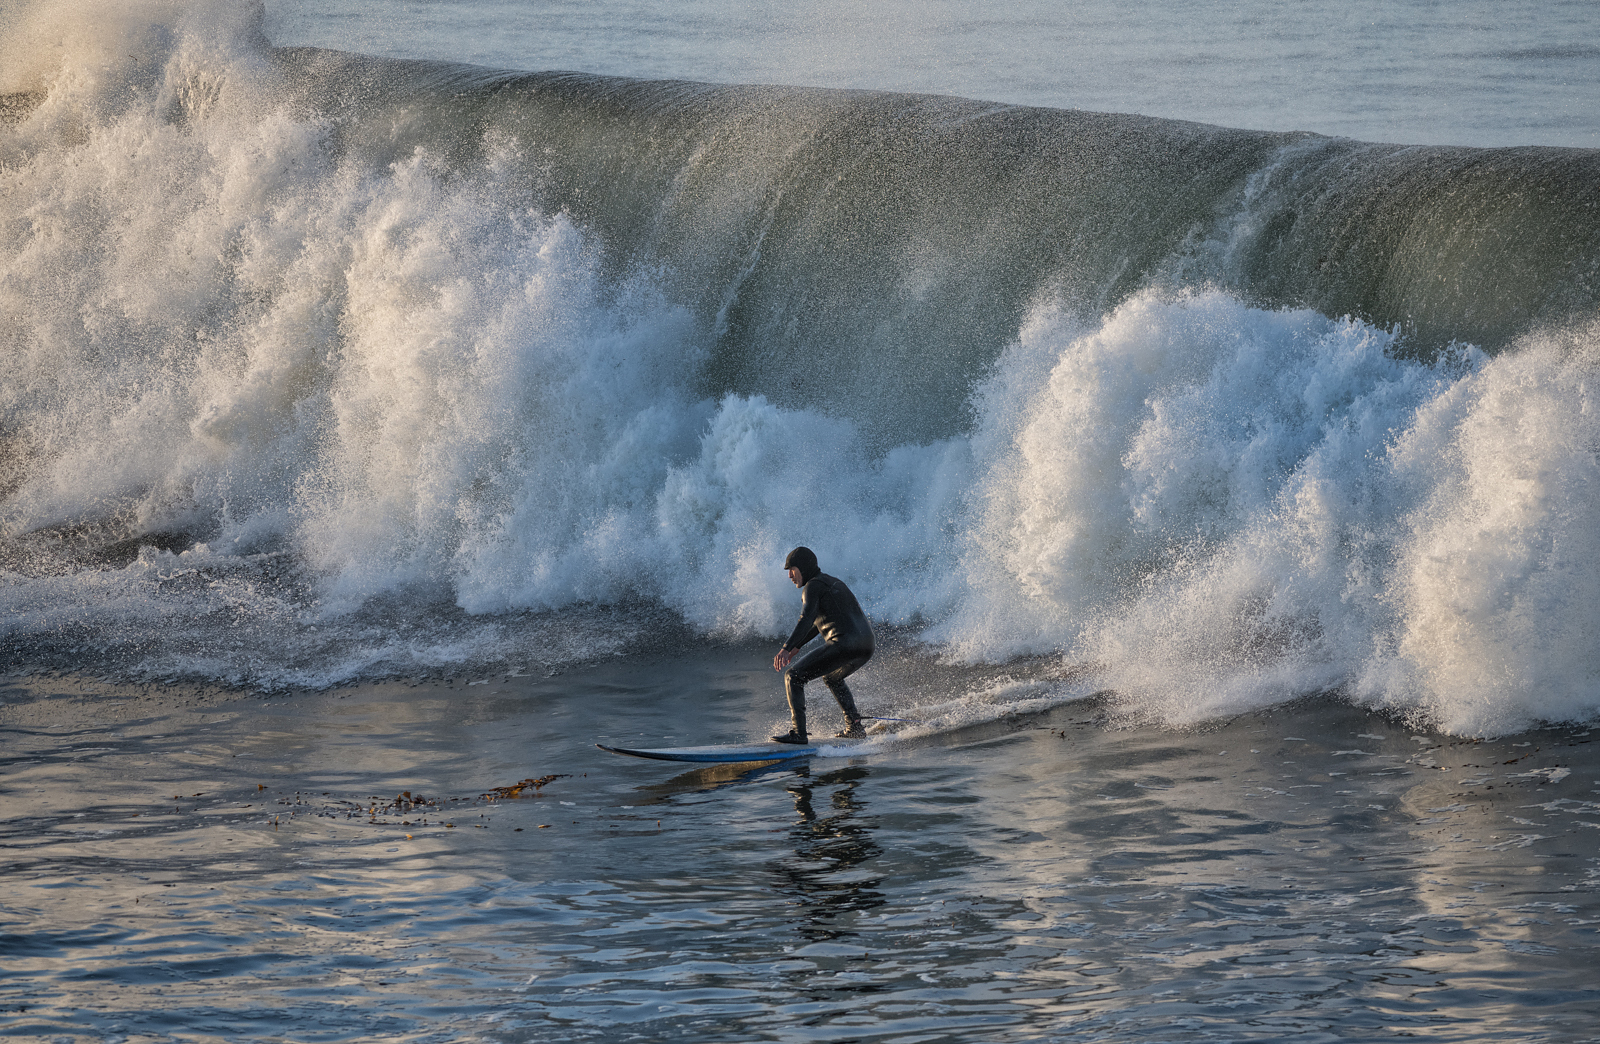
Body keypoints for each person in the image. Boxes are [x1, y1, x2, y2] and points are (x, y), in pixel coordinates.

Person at [770, 546, 874, 744]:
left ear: (803, 567)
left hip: (844, 643)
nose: (790, 576)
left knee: (793, 676)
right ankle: (855, 727)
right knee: (832, 678)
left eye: (792, 569)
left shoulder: (813, 586)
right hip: (866, 644)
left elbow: (806, 618)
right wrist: (797, 646)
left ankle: (798, 733)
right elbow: (820, 622)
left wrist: (786, 647)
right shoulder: (833, 582)